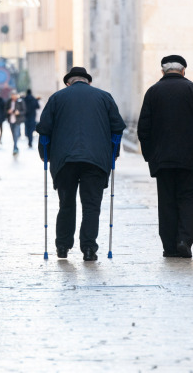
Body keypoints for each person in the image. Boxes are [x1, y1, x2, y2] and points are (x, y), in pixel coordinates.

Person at [36, 67, 126, 261]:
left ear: (68, 83)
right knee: (91, 205)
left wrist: (44, 154)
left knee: (66, 204)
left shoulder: (57, 98)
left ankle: (62, 247)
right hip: (96, 160)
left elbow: (44, 129)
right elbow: (117, 128)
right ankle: (88, 248)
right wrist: (113, 154)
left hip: (64, 161)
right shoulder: (104, 97)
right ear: (88, 82)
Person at [137, 55, 193, 259]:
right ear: (183, 71)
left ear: (162, 72)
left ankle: (169, 246)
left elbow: (143, 128)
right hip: (190, 160)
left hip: (162, 160)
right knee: (188, 199)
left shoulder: (153, 92)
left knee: (167, 201)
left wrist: (150, 156)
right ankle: (184, 241)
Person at [5, 90, 26, 155]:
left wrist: (19, 112)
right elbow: (5, 109)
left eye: (14, 95)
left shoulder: (20, 101)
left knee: (16, 133)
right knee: (13, 134)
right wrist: (8, 111)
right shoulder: (9, 101)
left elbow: (24, 110)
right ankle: (15, 146)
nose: (13, 97)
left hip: (17, 120)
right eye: (12, 95)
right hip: (11, 120)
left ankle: (15, 147)